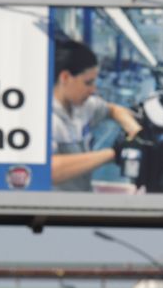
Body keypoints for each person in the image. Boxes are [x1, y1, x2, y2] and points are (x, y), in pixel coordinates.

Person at [51, 39, 143, 192]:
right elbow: (50, 169)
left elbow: (113, 110)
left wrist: (135, 131)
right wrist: (113, 153)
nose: (93, 90)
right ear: (65, 77)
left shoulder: (84, 106)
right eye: (88, 83)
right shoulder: (47, 119)